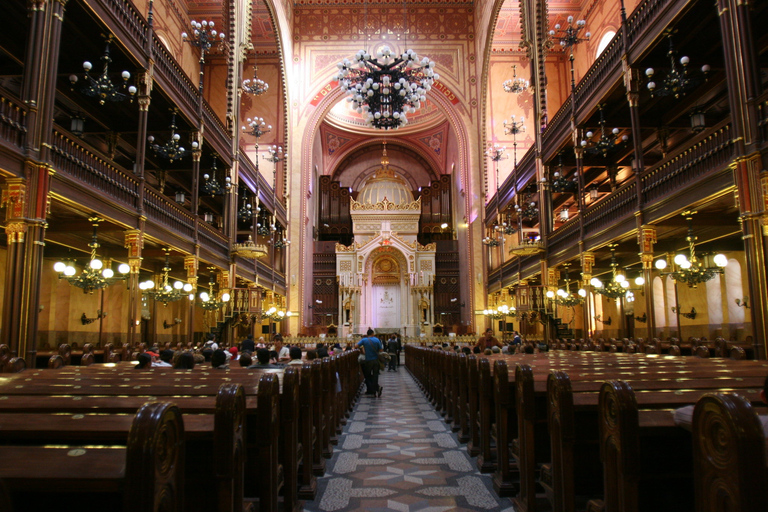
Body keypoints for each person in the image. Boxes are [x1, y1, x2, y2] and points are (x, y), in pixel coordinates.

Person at [357, 328, 383, 397]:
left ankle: (374, 389)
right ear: (373, 334)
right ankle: (376, 389)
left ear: (367, 334)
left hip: (368, 360)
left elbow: (356, 346)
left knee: (367, 375)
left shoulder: (364, 340)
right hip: (376, 360)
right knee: (375, 375)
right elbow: (381, 350)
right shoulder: (377, 340)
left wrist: (362, 350)